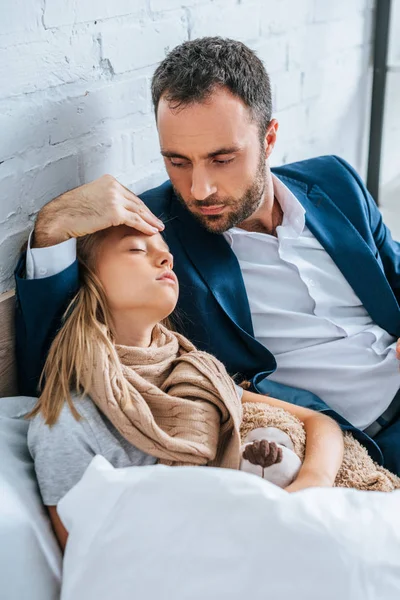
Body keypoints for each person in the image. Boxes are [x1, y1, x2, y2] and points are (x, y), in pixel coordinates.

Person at [15, 37, 400, 475]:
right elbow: (56, 368)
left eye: (222, 159)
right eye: (177, 161)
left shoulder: (334, 180)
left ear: (269, 138)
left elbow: (394, 269)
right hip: (357, 440)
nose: (199, 189)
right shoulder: (152, 235)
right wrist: (51, 227)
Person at [27, 226, 344, 551]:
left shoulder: (196, 376)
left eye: (165, 250)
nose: (166, 258)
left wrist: (311, 484)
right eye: (136, 249)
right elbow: (89, 561)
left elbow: (319, 422)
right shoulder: (69, 424)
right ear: (90, 279)